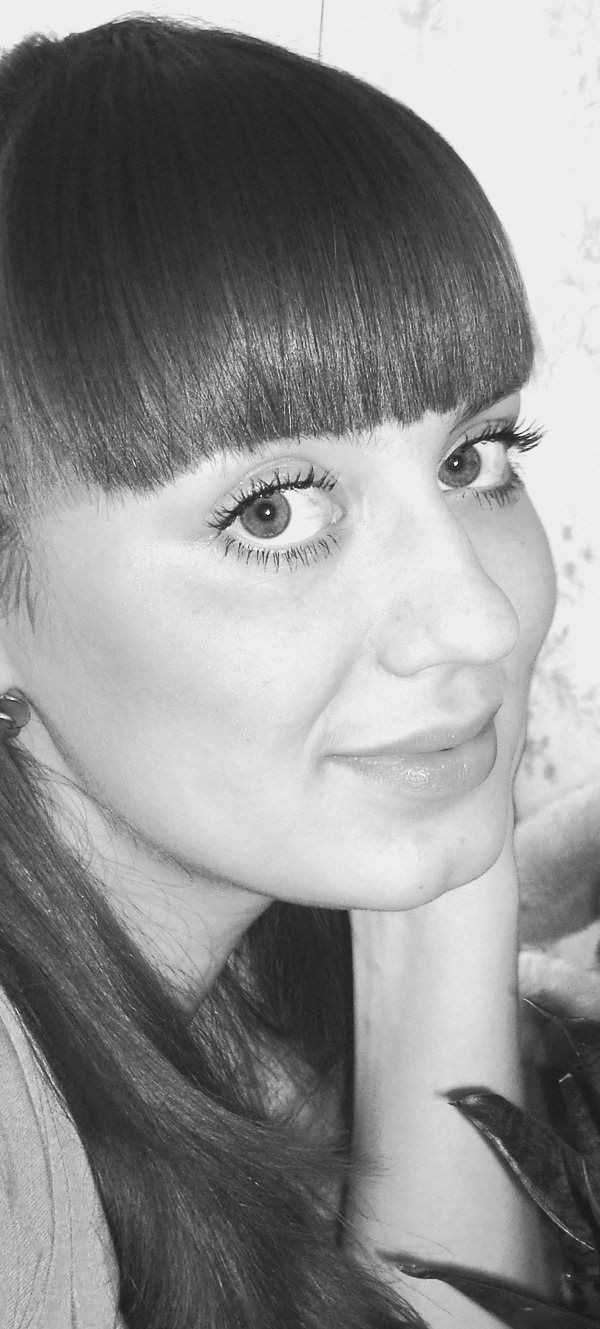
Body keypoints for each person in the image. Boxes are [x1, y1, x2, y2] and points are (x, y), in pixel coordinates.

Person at [0, 16, 558, 1329]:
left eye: (474, 458)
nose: (478, 619)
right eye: (274, 512)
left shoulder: (254, 982)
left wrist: (444, 913)